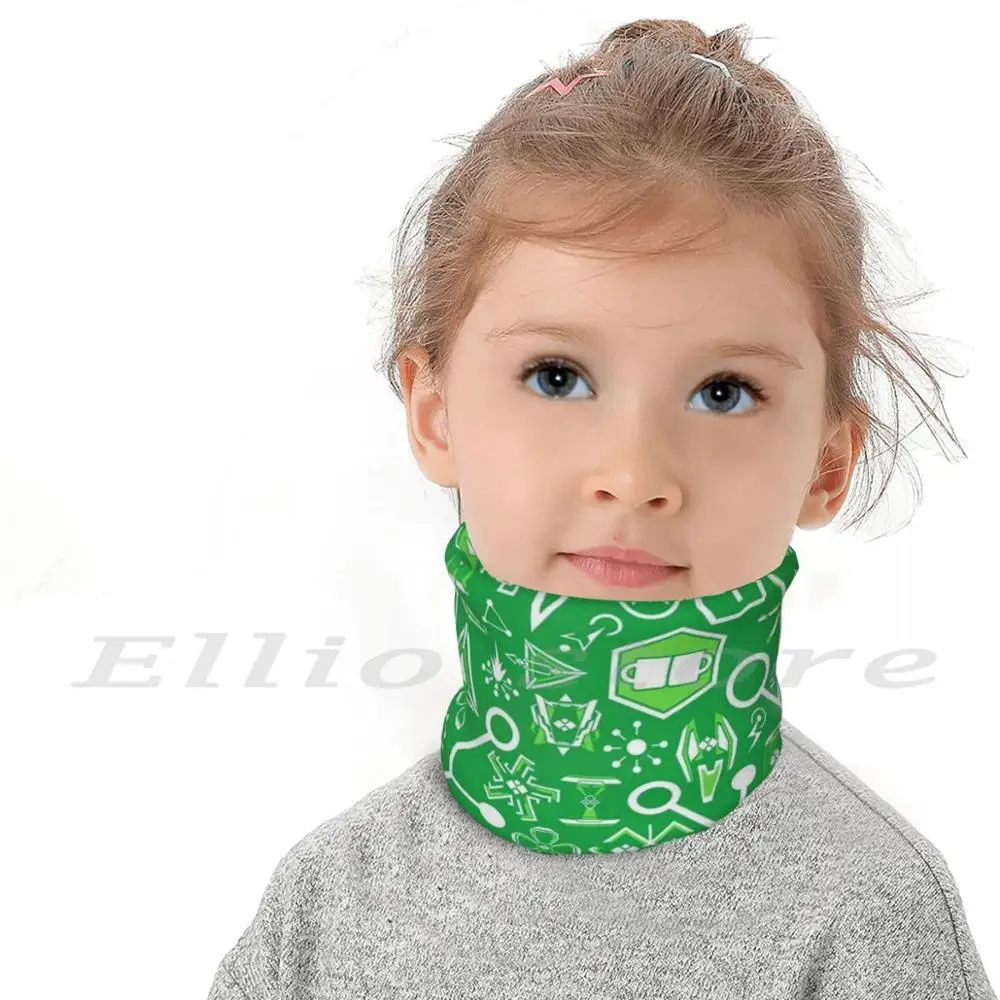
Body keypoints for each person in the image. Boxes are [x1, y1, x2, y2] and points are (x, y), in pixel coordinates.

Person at [207, 18, 995, 998]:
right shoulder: (327, 906)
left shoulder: (865, 918)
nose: (633, 472)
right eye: (557, 376)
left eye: (723, 392)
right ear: (434, 413)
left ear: (826, 466)